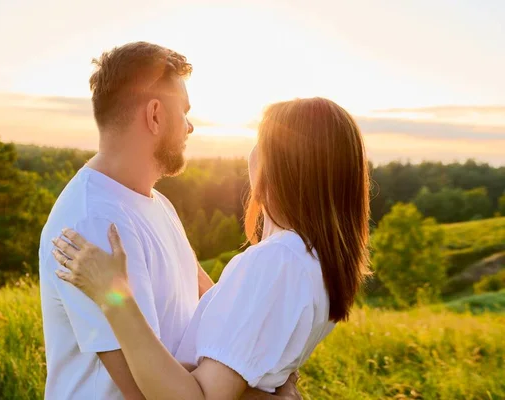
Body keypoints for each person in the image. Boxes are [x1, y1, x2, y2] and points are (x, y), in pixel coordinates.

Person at [52, 97, 372, 399]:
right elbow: (233, 318)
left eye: (261, 142)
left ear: (284, 163)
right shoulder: (310, 260)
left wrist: (114, 296)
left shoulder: (277, 261)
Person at [39, 41, 300, 399]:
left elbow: (213, 301)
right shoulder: (95, 223)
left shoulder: (156, 203)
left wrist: (271, 364)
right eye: (185, 112)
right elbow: (140, 388)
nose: (190, 127)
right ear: (156, 115)